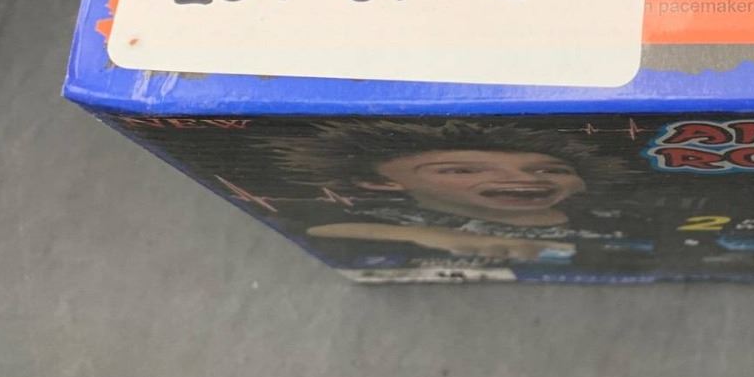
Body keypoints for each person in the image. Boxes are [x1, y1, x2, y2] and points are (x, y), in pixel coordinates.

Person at [260, 120, 652, 275]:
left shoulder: (615, 217)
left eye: (550, 170)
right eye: (462, 171)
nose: (521, 180)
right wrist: (434, 237)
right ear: (381, 183)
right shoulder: (386, 223)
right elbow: (325, 229)